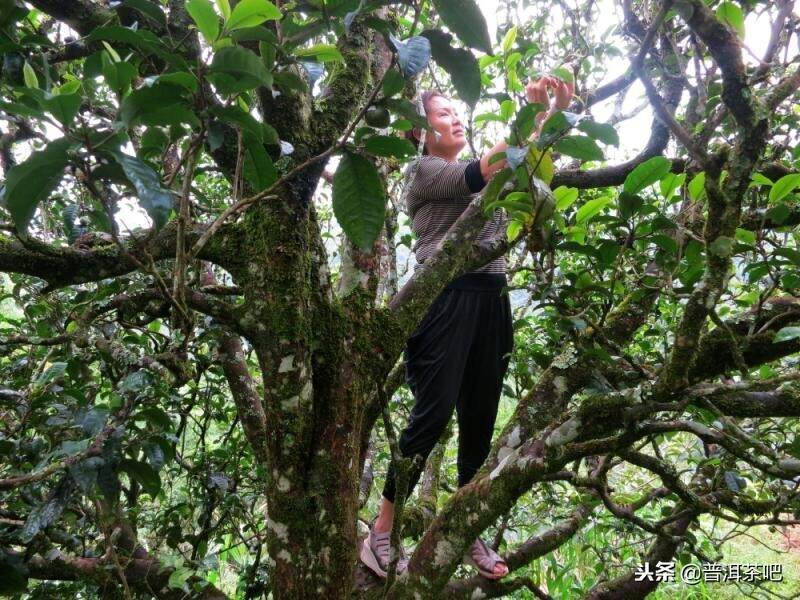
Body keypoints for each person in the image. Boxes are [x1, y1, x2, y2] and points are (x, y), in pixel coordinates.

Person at [360, 76, 574, 580]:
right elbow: (493, 167)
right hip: (445, 299)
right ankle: (382, 531)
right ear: (419, 132)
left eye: (457, 112)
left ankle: (465, 525)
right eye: (442, 114)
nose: (455, 119)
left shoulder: (480, 170)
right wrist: (532, 113)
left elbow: (519, 168)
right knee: (431, 417)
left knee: (480, 420)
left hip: (492, 299)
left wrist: (551, 116)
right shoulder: (425, 172)